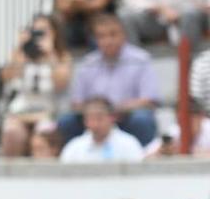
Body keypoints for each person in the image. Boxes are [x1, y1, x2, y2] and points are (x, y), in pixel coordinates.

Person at [60, 14, 160, 145]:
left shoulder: (141, 60)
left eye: (113, 35)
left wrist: (116, 110)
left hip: (126, 117)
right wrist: (98, 113)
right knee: (66, 121)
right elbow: (77, 103)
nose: (108, 41)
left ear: (124, 35)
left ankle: (143, 161)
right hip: (93, 118)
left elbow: (149, 101)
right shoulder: (88, 63)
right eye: (101, 36)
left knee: (142, 119)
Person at [1, 14, 73, 120]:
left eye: (42, 31)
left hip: (50, 109)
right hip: (23, 108)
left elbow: (61, 84)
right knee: (11, 131)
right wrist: (21, 48)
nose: (38, 36)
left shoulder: (62, 55)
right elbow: (6, 78)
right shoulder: (21, 54)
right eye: (34, 31)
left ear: (54, 33)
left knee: (41, 133)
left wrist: (50, 54)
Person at [60, 97, 146, 162]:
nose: (95, 124)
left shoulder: (129, 144)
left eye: (99, 118)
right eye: (90, 119)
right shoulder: (74, 147)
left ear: (112, 117)